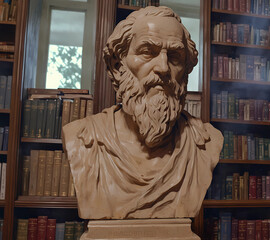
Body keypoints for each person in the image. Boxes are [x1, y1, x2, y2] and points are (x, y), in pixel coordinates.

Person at [62, 6, 223, 220]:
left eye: (175, 56)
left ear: (185, 70)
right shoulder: (80, 138)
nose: (163, 68)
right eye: (148, 52)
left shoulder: (206, 142)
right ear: (118, 65)